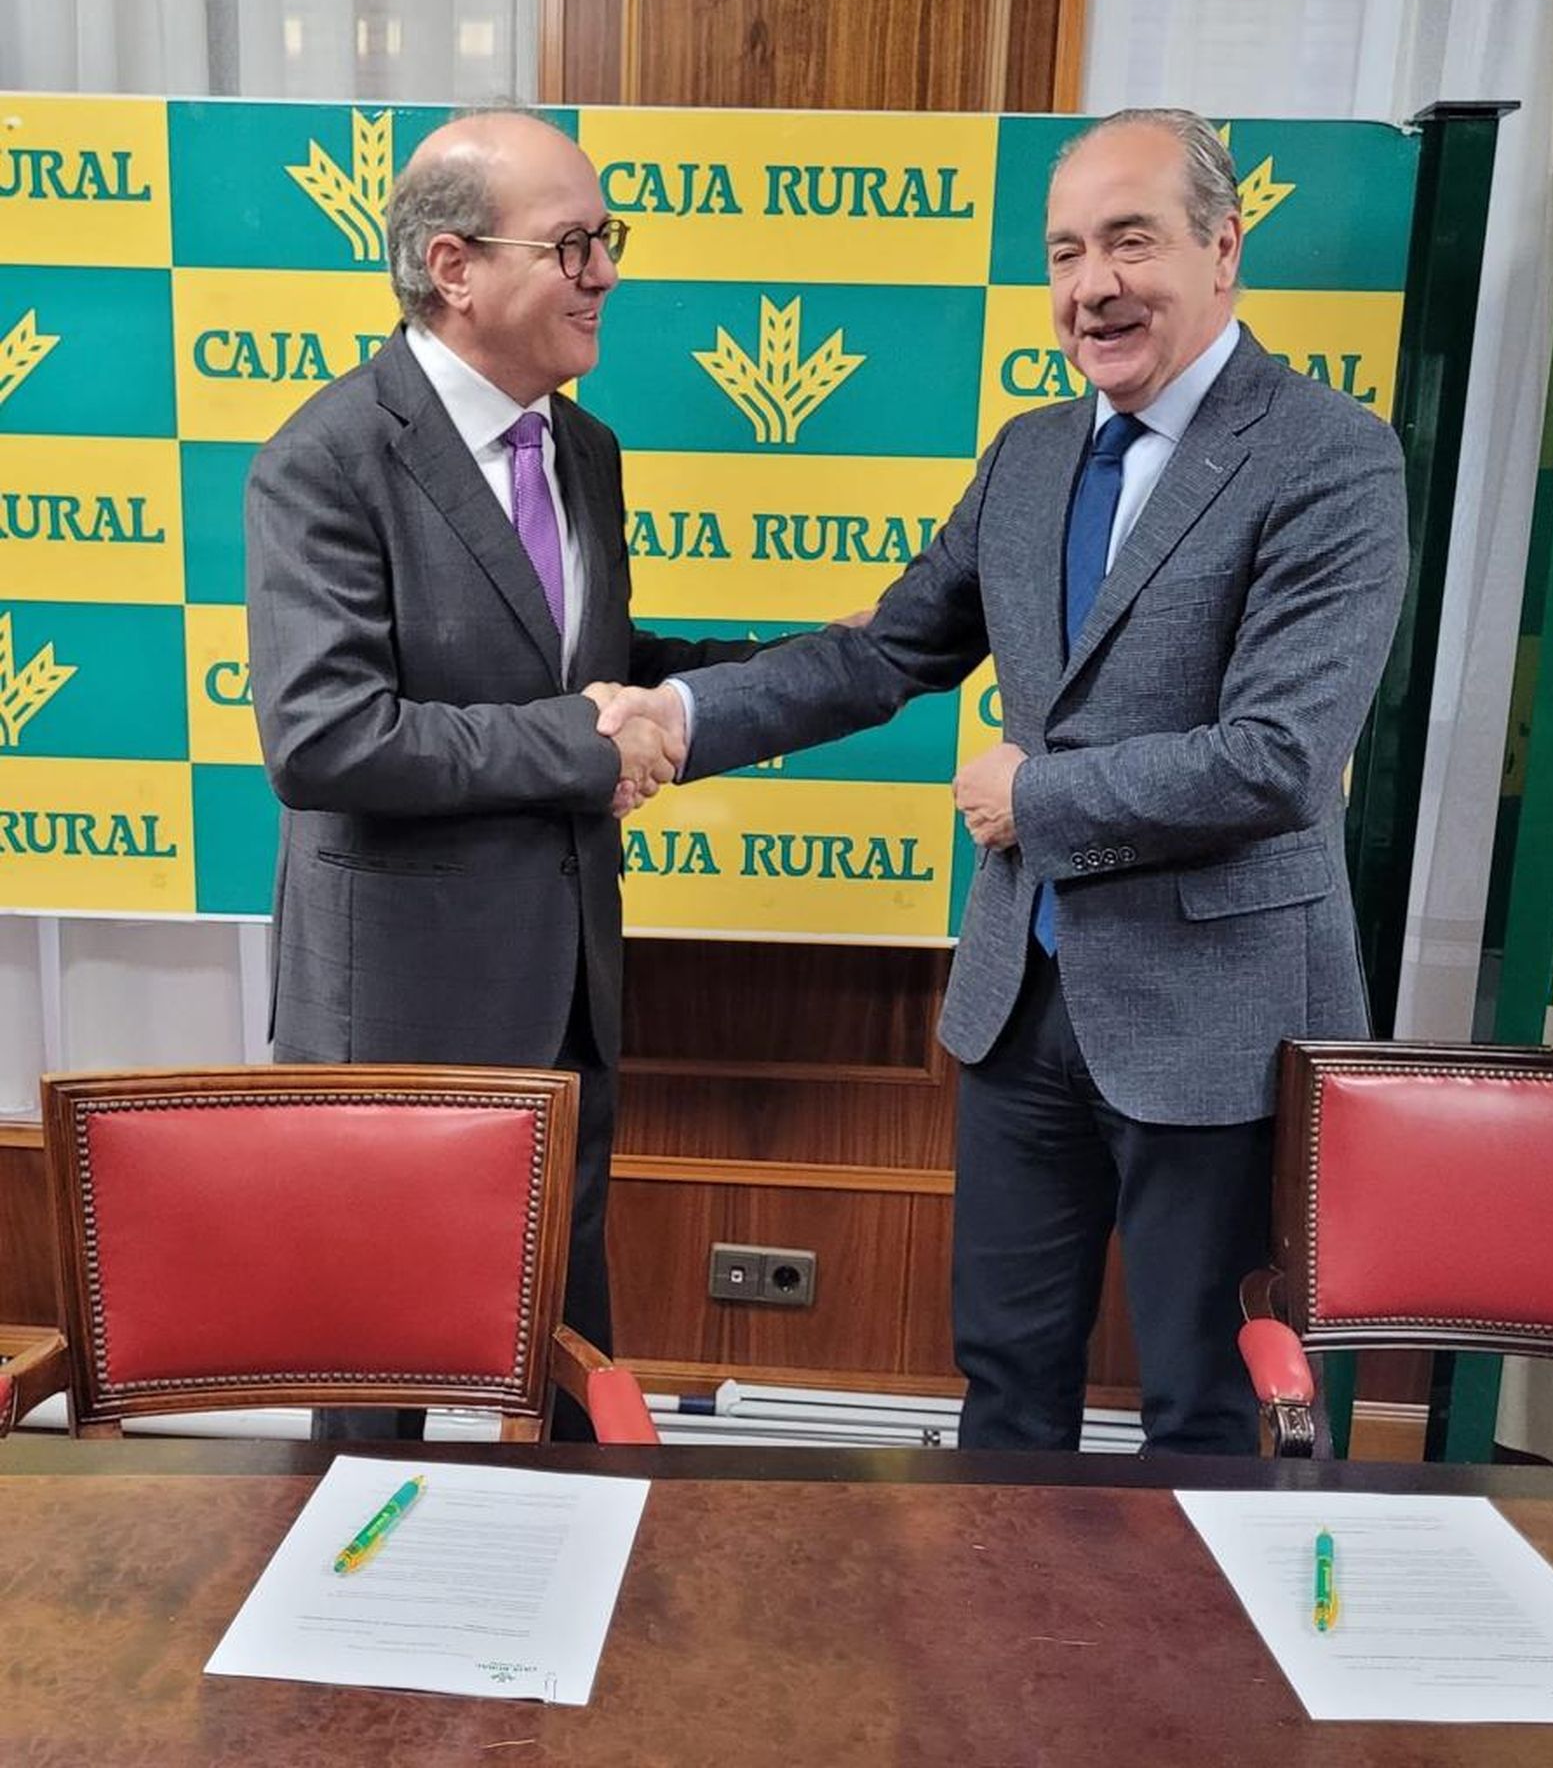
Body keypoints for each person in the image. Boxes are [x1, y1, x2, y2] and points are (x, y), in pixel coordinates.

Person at [595, 108, 1409, 1454]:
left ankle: (1188, 1669)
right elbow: (881, 655)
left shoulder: (1330, 454)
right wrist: (679, 717)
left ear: (1224, 249)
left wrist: (1042, 801)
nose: (1095, 286)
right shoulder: (1032, 455)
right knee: (1006, 1387)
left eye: (1132, 242)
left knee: (1209, 1411)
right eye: (1067, 253)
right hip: (1022, 1018)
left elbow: (1279, 758)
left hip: (1217, 1023)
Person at [246, 110, 757, 1439]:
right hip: (397, 1027)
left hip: (569, 998)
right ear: (456, 268)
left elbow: (592, 662)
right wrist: (586, 743)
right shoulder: (327, 456)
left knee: (569, 1396)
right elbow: (324, 736)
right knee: (375, 1406)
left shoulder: (584, 449)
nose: (606, 272)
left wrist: (817, 668)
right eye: (575, 242)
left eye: (609, 239)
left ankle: (563, 1630)